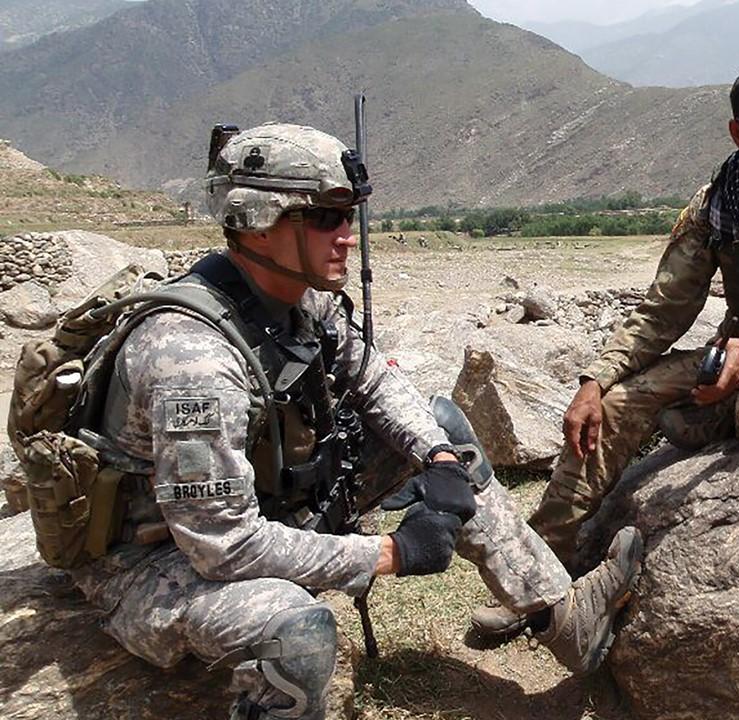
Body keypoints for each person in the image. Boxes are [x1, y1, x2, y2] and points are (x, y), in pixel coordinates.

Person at [64, 123, 642, 720]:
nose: (347, 235)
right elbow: (223, 547)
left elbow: (375, 380)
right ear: (261, 221)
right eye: (325, 218)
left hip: (269, 509)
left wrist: (437, 458)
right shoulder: (191, 358)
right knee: (294, 626)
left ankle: (560, 617)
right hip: (160, 566)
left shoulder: (298, 301)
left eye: (349, 216)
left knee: (444, 429)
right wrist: (390, 552)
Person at [472, 61, 739, 637]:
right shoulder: (718, 205)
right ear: (737, 132)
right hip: (735, 361)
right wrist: (595, 381)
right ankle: (540, 572)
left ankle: (737, 418)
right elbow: (665, 311)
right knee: (619, 405)